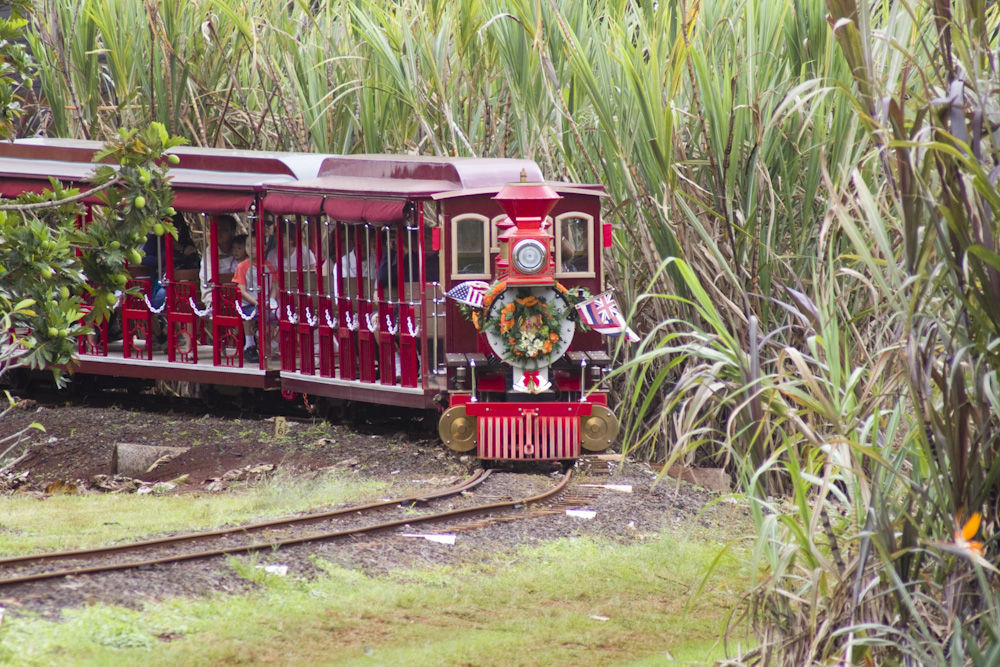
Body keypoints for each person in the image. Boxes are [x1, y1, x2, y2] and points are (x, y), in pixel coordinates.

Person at [199, 215, 240, 310]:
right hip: (214, 297)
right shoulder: (210, 252)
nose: (219, 233)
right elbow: (209, 281)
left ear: (233, 232)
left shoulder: (239, 249)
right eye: (217, 229)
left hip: (237, 296)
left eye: (224, 230)